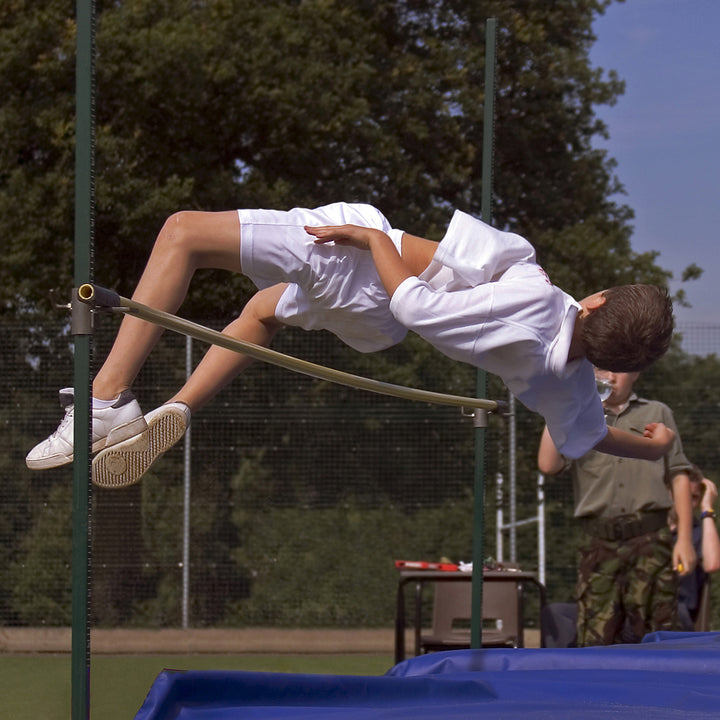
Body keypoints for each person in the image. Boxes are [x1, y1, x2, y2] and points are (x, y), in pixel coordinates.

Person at [27, 203, 676, 487]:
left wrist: (371, 241)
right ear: (617, 361)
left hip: (365, 270)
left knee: (182, 235)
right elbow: (584, 440)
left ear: (594, 301)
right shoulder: (567, 384)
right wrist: (651, 448)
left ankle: (104, 401)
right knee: (260, 314)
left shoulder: (538, 292)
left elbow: (419, 294)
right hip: (375, 327)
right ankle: (184, 407)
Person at [537, 368, 696, 646]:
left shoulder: (657, 412)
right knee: (596, 635)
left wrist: (684, 539)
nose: (609, 376)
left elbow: (679, 475)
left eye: (619, 368)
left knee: (657, 632)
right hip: (599, 543)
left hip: (650, 540)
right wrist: (559, 406)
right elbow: (548, 465)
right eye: (601, 368)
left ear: (635, 372)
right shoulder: (578, 417)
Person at [668, 465, 720, 630]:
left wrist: (707, 510)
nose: (688, 503)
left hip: (678, 611)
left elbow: (712, 563)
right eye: (683, 495)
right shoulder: (649, 528)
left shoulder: (698, 532)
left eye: (695, 497)